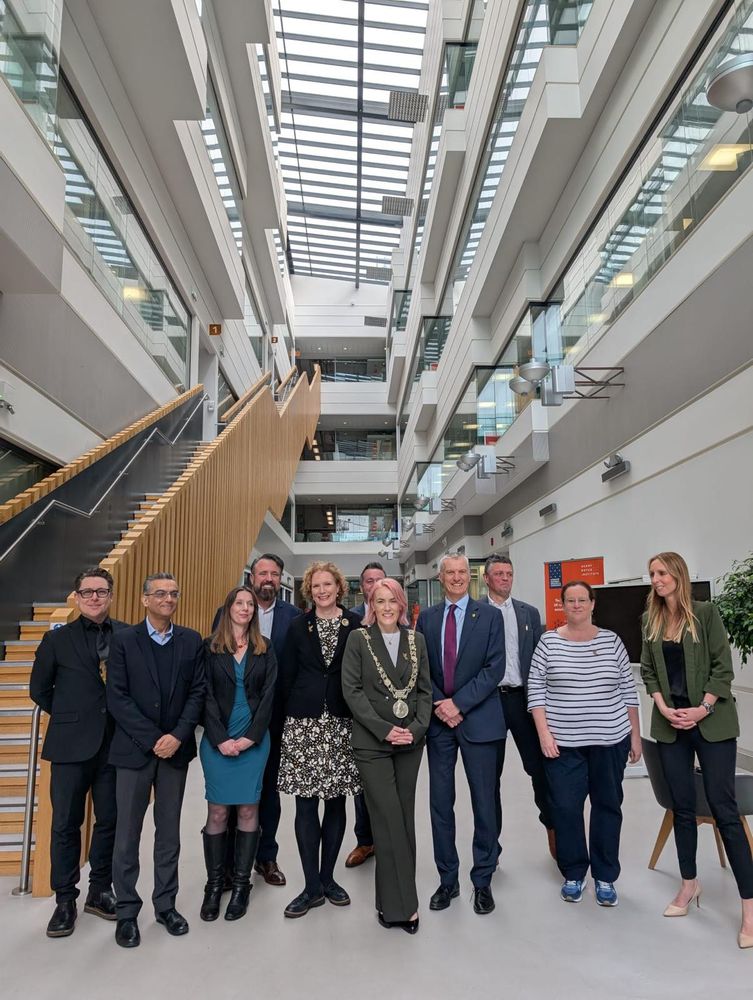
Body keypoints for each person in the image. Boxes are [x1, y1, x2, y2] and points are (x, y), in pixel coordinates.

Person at [640, 551, 753, 948]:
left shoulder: (705, 614)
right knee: (682, 808)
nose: (656, 579)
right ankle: (689, 885)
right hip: (671, 725)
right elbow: (649, 670)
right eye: (652, 573)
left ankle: (750, 909)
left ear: (678, 575)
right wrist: (665, 707)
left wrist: (701, 708)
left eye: (662, 572)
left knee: (725, 811)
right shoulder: (650, 619)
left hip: (712, 723)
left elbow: (724, 668)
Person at [106, 573, 205, 948]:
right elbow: (117, 698)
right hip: (134, 752)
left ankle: (166, 905)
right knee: (127, 834)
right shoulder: (124, 641)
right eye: (160, 593)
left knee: (168, 834)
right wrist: (152, 740)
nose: (168, 599)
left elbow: (197, 692)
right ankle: (127, 911)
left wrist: (177, 736)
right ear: (144, 599)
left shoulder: (190, 640)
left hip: (174, 752)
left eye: (173, 593)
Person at [528, 580, 641, 907]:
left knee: (608, 806)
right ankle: (574, 872)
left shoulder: (612, 641)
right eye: (570, 600)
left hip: (610, 741)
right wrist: (544, 734)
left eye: (582, 600)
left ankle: (605, 876)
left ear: (593, 604)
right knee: (565, 808)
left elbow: (627, 691)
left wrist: (634, 735)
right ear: (562, 605)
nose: (576, 605)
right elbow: (535, 692)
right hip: (563, 745)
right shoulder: (548, 643)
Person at [30, 567, 128, 938]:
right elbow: (39, 689)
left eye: (101, 592)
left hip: (115, 744)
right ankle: (65, 899)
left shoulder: (128, 635)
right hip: (70, 745)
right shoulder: (56, 639)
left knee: (110, 820)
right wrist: (74, 716)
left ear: (111, 595)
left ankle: (99, 890)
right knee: (65, 824)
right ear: (76, 597)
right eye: (86, 592)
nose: (93, 598)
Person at [416, 553, 505, 916]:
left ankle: (482, 879)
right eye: (449, 572)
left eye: (462, 572)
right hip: (439, 724)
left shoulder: (490, 616)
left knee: (484, 803)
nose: (456, 578)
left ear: (472, 577)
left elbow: (494, 667)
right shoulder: (428, 618)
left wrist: (459, 704)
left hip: (479, 721)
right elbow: (420, 667)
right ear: (440, 578)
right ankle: (447, 879)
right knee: (441, 803)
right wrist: (441, 703)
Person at [342, 578, 432, 933]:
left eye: (392, 600)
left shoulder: (417, 640)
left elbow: (425, 690)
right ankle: (405, 907)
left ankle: (390, 901)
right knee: (388, 819)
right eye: (379, 601)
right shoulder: (358, 640)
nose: (387, 607)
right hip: (372, 743)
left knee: (403, 819)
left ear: (401, 604)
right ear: (371, 605)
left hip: (410, 741)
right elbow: (352, 691)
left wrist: (417, 727)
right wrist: (384, 729)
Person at [212, 554, 302, 888]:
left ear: (281, 579)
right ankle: (231, 860)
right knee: (231, 794)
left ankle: (266, 857)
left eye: (274, 574)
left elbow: (291, 670)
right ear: (252, 576)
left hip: (273, 720)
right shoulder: (225, 614)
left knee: (267, 793)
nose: (268, 578)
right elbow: (216, 667)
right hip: (232, 720)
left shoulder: (293, 617)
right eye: (262, 572)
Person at [277, 561, 362, 917]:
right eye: (316, 586)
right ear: (309, 591)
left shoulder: (356, 625)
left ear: (339, 588)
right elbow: (285, 676)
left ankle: (328, 878)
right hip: (304, 725)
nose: (322, 591)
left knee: (337, 803)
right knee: (306, 805)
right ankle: (310, 885)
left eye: (328, 584)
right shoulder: (298, 627)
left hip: (342, 723)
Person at [199, 586, 276, 922]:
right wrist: (220, 739)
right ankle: (215, 885)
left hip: (254, 741)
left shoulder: (265, 648)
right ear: (228, 607)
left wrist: (249, 739)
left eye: (250, 604)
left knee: (248, 809)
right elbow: (204, 696)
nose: (245, 608)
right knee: (217, 812)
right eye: (239, 603)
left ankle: (242, 886)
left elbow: (270, 697)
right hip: (217, 740)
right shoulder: (210, 648)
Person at [482, 554, 554, 859]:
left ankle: (555, 833)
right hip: (489, 703)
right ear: (486, 578)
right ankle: (491, 849)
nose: (504, 579)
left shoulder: (528, 613)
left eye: (509, 574)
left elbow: (540, 662)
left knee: (541, 769)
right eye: (498, 574)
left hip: (523, 700)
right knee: (489, 777)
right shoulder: (476, 613)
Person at [345, 560, 385, 869]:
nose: (373, 585)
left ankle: (389, 840)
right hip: (358, 712)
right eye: (368, 581)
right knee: (361, 781)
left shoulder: (399, 619)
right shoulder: (351, 621)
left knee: (389, 783)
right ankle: (365, 841)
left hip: (392, 715)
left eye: (379, 579)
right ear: (362, 587)